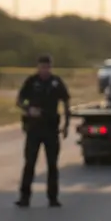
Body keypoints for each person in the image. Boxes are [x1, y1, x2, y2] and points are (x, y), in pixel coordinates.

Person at [15, 55, 70, 208]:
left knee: (52, 165)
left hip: (51, 129)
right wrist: (28, 109)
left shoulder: (56, 82)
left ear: (50, 67)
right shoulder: (32, 82)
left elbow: (66, 102)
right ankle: (24, 197)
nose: (44, 70)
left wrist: (66, 125)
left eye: (47, 67)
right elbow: (19, 100)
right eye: (42, 67)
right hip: (34, 128)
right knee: (29, 163)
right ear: (38, 67)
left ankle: (53, 198)